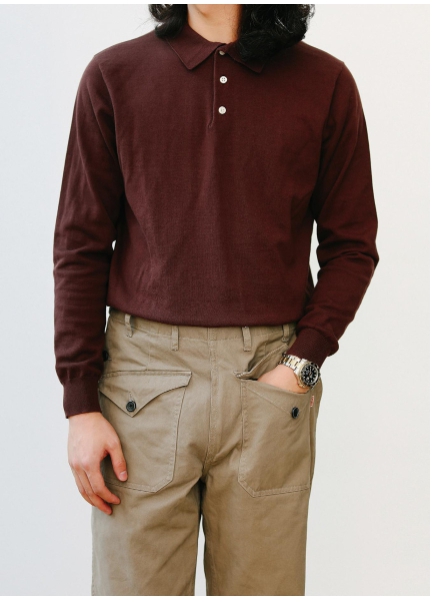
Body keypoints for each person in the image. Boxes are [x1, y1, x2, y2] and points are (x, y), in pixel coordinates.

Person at [53, 4, 380, 596]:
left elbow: (353, 246)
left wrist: (302, 364)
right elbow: (80, 245)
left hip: (270, 377)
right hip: (141, 387)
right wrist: (79, 403)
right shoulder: (113, 76)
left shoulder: (325, 83)